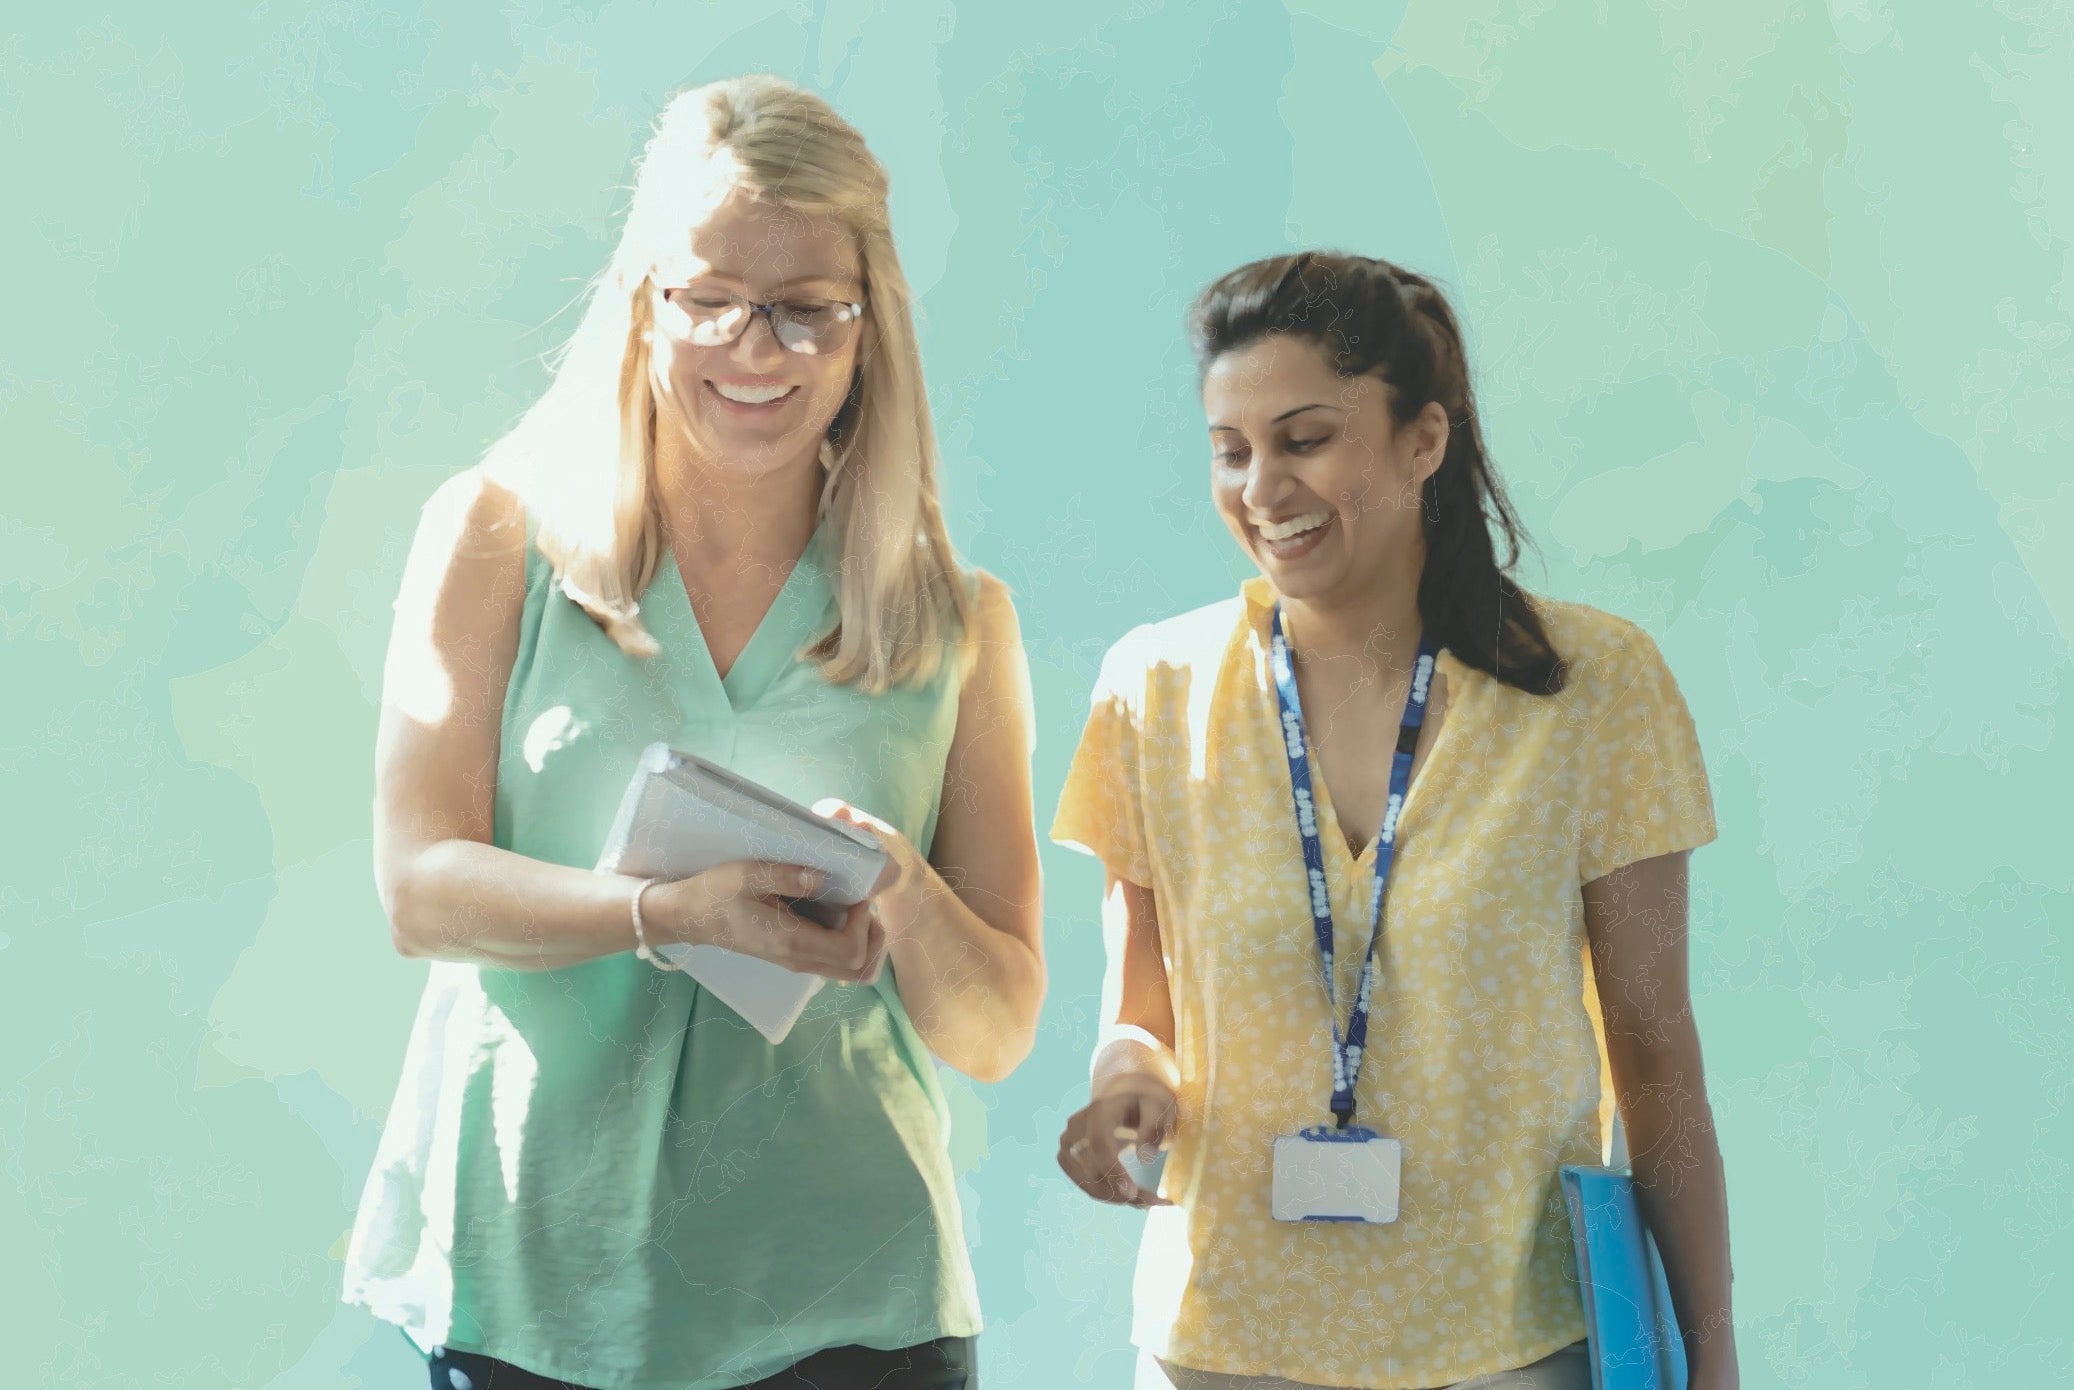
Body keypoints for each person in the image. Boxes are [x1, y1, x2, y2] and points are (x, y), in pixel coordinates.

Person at [343, 75, 1044, 1390]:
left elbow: (995, 1026)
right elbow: (419, 890)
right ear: (641, 299)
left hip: (848, 1296)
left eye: (804, 310)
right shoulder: (496, 537)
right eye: (708, 299)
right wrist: (669, 909)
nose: (754, 349)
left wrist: (903, 890)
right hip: (533, 1282)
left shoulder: (956, 621)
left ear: (865, 328)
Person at [1051, 252, 1737, 1390]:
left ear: (1424, 440)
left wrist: (1707, 1355)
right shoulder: (1153, 688)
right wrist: (1125, 1082)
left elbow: (1656, 1057)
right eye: (1231, 449)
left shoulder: (1596, 689)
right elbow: (1139, 1009)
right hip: (1219, 1350)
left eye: (1304, 438)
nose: (1261, 486)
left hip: (1506, 1349)